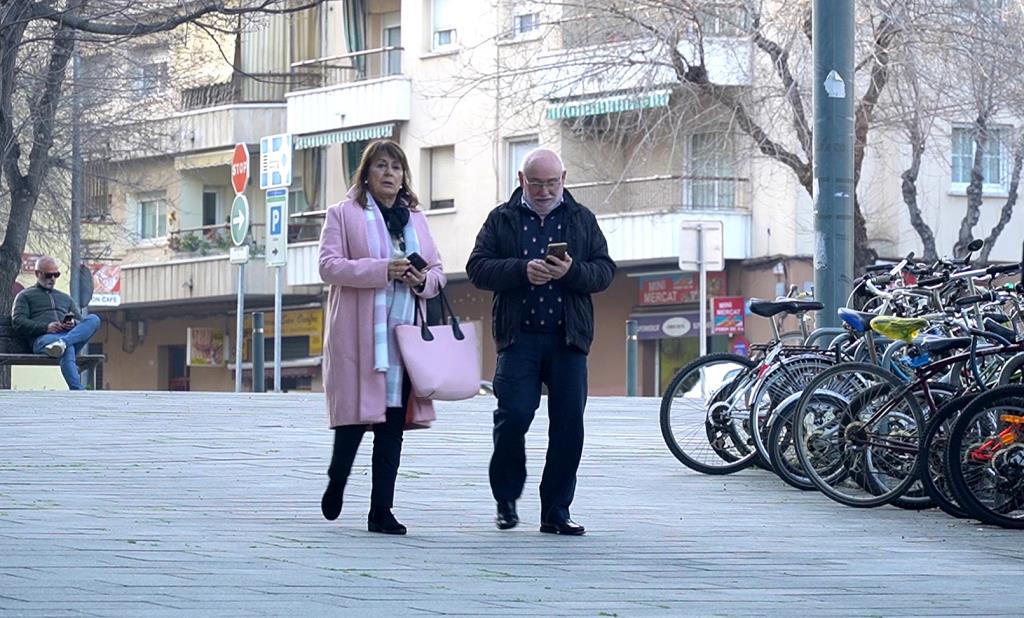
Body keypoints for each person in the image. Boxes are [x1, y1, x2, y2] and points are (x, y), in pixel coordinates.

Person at [466, 148, 616, 535]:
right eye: (537, 183)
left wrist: (570, 272)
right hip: (520, 338)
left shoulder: (581, 219)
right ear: (521, 180)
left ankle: (556, 510)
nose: (545, 190)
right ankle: (506, 498)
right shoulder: (502, 218)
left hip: (569, 339)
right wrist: (520, 270)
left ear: (563, 178)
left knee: (569, 426)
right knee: (513, 416)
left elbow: (604, 272)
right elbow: (477, 268)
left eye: (552, 182)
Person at [317, 140, 447, 535]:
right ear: (367, 174)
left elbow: (439, 273)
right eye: (380, 166)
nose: (389, 174)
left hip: (403, 337)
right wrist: (382, 269)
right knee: (354, 421)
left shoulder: (416, 220)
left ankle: (381, 511)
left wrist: (422, 279)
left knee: (391, 425)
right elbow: (328, 266)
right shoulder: (342, 214)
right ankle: (337, 482)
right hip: (358, 336)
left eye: (396, 167)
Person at [11, 256, 102, 391]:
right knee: (67, 348)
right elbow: (18, 322)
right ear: (38, 274)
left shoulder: (65, 298)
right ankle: (78, 390)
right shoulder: (25, 296)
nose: (52, 279)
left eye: (56, 275)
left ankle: (63, 343)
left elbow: (81, 323)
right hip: (43, 339)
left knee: (94, 319)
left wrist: (72, 324)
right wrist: (46, 327)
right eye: (48, 275)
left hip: (67, 337)